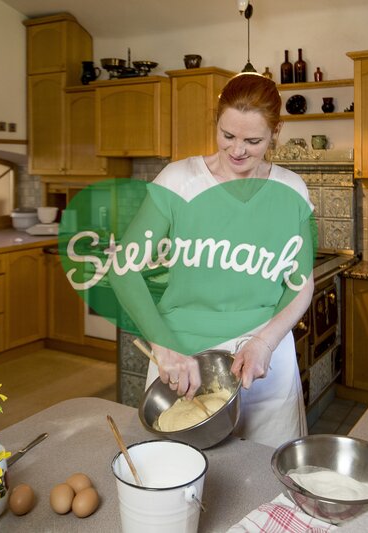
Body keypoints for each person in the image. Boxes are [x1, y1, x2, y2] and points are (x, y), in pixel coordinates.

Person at [109, 73, 315, 448]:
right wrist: (163, 346)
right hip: (182, 361)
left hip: (265, 363)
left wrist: (265, 343)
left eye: (253, 141)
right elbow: (123, 269)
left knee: (269, 482)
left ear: (276, 131)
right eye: (227, 135)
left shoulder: (291, 191)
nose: (237, 150)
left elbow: (300, 284)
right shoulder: (178, 180)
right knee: (180, 478)